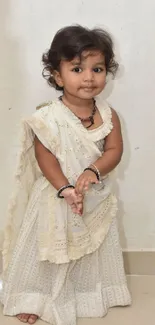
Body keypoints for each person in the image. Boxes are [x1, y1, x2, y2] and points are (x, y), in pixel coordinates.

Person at [0, 25, 131, 325]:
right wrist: (65, 189)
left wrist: (92, 170)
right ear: (58, 76)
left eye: (97, 68)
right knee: (48, 254)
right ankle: (36, 297)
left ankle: (87, 294)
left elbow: (114, 150)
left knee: (89, 251)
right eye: (77, 68)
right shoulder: (48, 117)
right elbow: (44, 156)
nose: (88, 77)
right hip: (57, 198)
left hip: (93, 196)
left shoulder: (108, 115)